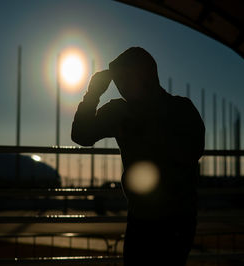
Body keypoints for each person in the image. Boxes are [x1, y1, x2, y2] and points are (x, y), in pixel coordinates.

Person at [71, 47, 205, 265]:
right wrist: (92, 94)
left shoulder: (178, 109)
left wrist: (143, 129)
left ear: (144, 76)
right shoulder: (122, 112)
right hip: (145, 218)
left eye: (125, 78)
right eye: (118, 81)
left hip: (175, 219)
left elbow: (193, 150)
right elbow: (81, 135)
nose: (121, 86)